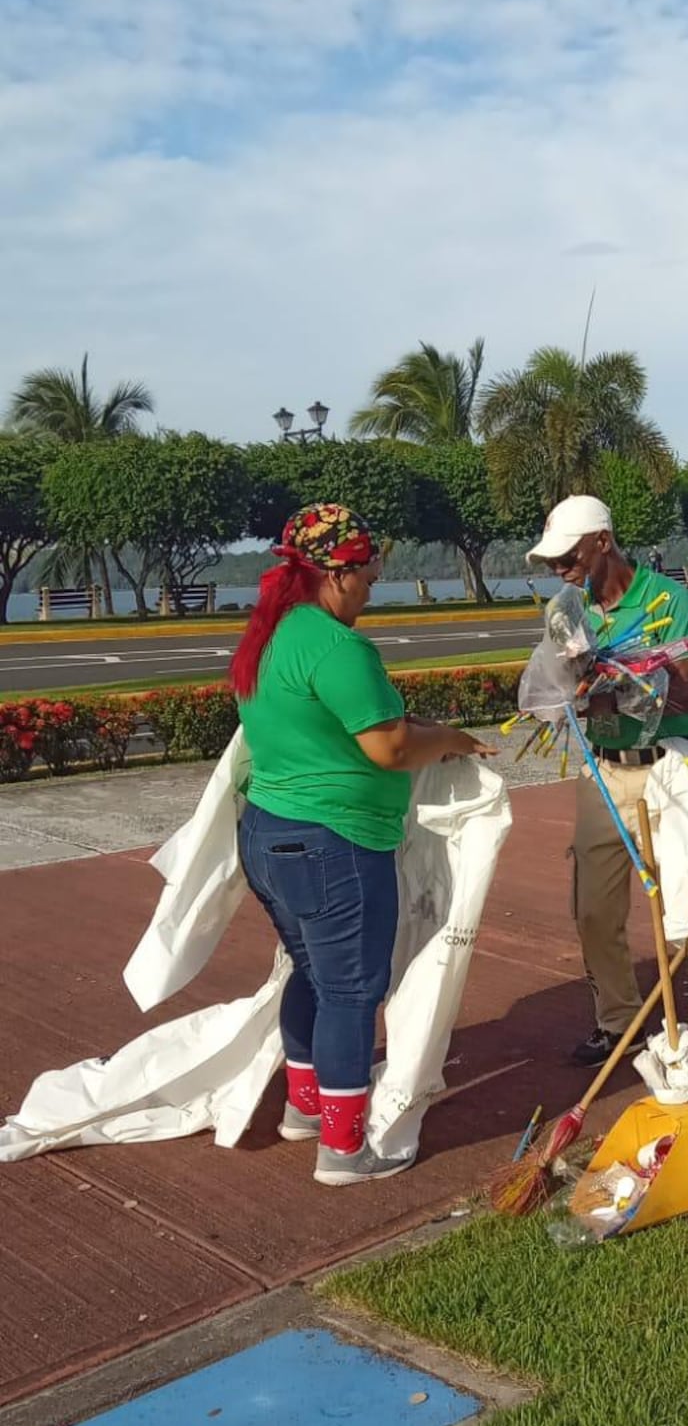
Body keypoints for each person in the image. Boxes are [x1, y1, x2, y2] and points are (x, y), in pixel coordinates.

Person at [230, 503, 493, 1186]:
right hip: (332, 843)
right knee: (351, 990)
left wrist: (426, 732)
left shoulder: (274, 633)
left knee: (312, 974)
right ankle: (344, 1151)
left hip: (268, 834)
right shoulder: (337, 646)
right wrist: (452, 739)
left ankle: (305, 1108)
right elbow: (391, 744)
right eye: (367, 571)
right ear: (334, 573)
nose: (374, 583)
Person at [527, 495, 688, 1071]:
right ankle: (616, 1021)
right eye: (550, 562)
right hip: (604, 769)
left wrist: (634, 681)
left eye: (566, 556)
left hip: (668, 765)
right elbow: (562, 686)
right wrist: (567, 697)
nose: (559, 569)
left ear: (601, 541)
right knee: (593, 909)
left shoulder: (670, 601)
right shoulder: (567, 611)